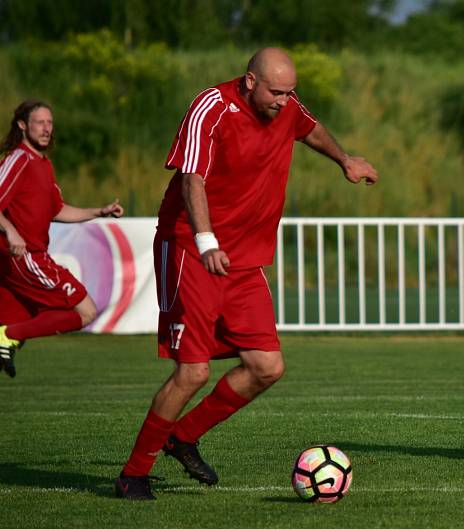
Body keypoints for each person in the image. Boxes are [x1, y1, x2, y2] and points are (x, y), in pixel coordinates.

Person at [115, 47, 378, 500]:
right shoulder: (210, 107)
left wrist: (345, 160)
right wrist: (207, 241)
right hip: (191, 247)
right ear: (251, 81)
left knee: (266, 365)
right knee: (192, 372)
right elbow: (190, 179)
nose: (285, 101)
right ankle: (133, 474)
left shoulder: (286, 105)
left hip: (243, 258)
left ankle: (183, 436)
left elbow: (310, 128)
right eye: (277, 91)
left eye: (291, 91)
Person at [0, 100, 124, 378]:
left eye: (50, 123)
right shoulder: (19, 159)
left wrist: (99, 211)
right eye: (39, 123)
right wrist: (10, 230)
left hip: (26, 257)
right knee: (85, 311)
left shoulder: (43, 164)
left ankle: (7, 335)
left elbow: (58, 210)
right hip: (25, 256)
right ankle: (6, 334)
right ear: (22, 125)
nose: (46, 129)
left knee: (12, 338)